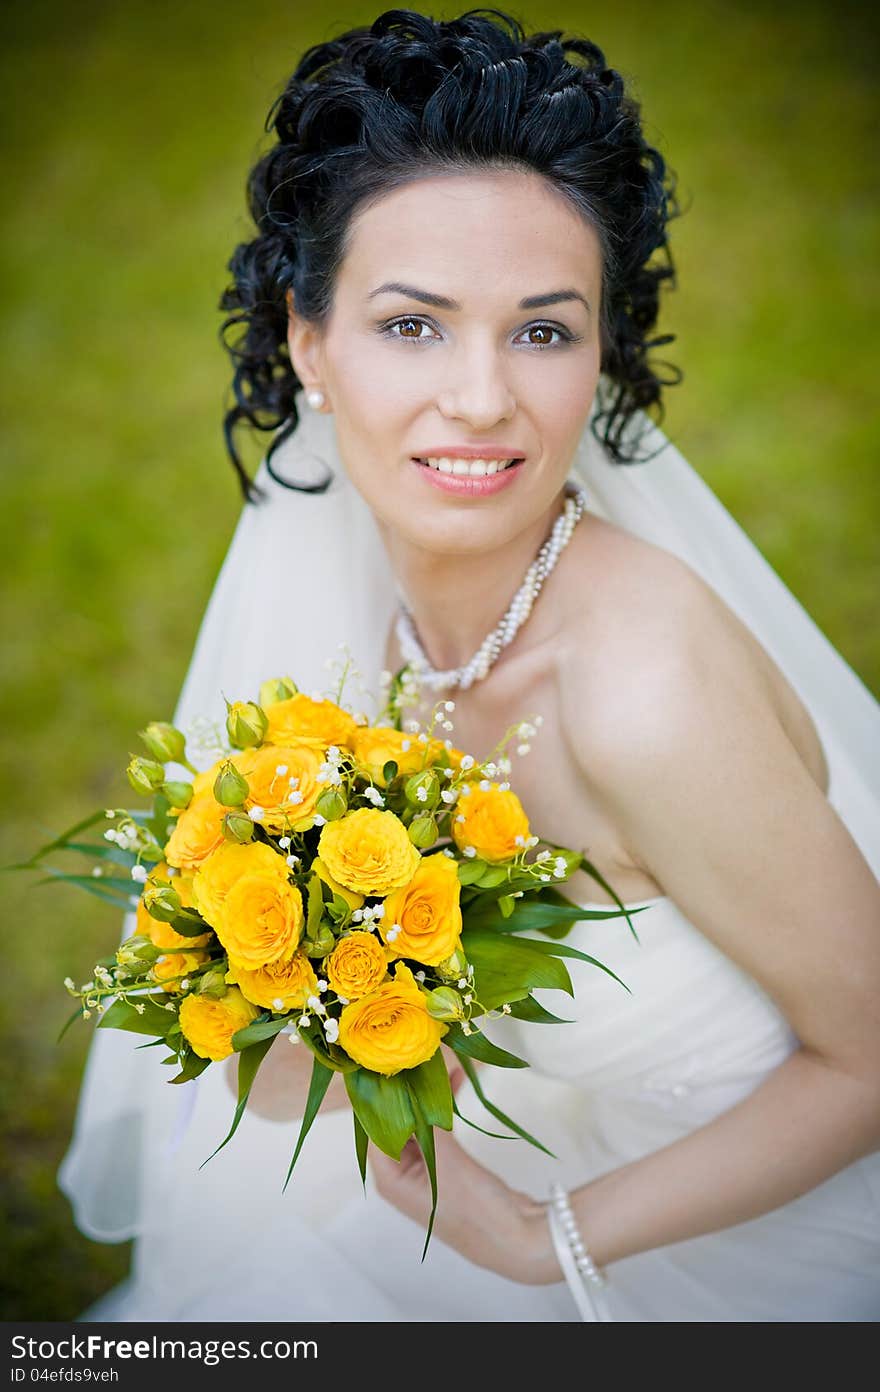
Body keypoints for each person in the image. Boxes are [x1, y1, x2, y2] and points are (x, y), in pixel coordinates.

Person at [58, 7, 880, 1321]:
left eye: (544, 330)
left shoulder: (644, 694)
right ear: (311, 342)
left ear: (600, 351)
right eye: (414, 326)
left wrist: (546, 1239)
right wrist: (278, 991)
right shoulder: (336, 627)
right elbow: (285, 1075)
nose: (485, 398)